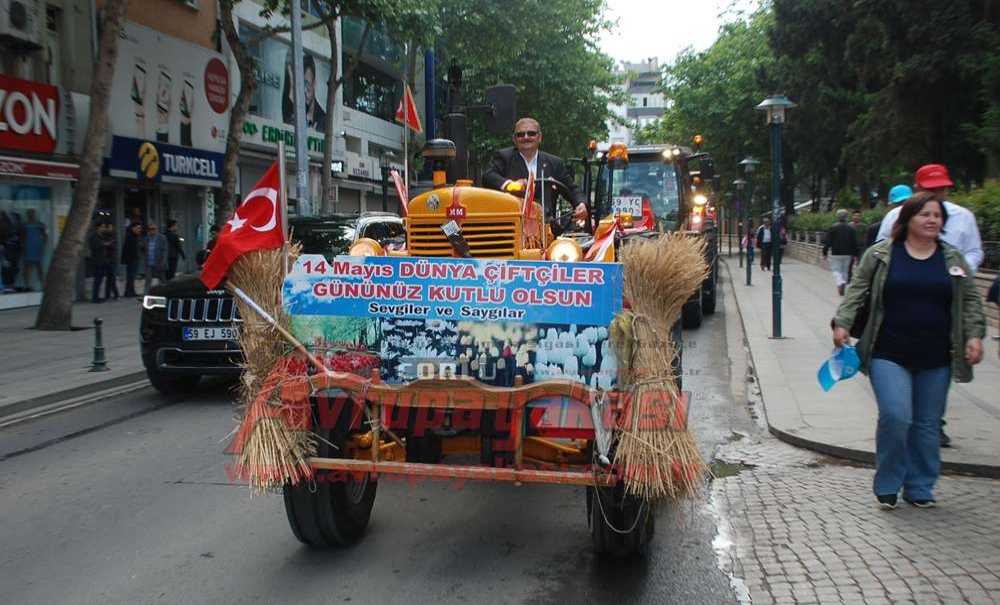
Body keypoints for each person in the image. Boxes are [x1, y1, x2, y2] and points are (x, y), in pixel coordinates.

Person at [832, 192, 985, 510]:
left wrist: (974, 336)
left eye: (937, 216)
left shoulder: (952, 258)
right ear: (907, 219)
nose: (932, 220)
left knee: (928, 424)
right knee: (896, 416)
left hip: (937, 355)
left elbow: (970, 300)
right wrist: (842, 324)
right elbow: (857, 290)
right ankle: (888, 482)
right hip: (888, 351)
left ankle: (920, 486)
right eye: (924, 214)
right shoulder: (883, 254)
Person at [482, 117, 588, 236]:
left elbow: (572, 189)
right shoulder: (504, 157)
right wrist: (510, 185)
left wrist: (581, 204)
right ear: (514, 139)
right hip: (512, 230)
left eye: (531, 133)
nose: (526, 137)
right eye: (520, 134)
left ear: (540, 137)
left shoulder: (555, 163)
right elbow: (488, 176)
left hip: (546, 230)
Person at [876, 165, 983, 273]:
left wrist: (960, 271)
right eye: (930, 189)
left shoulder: (963, 216)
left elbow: (973, 251)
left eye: (941, 189)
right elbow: (880, 249)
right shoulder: (895, 215)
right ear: (917, 188)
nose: (936, 193)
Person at [823, 209, 860, 295]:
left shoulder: (833, 227)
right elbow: (854, 242)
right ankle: (844, 283)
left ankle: (840, 282)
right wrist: (856, 254)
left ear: (837, 217)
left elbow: (828, 241)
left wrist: (824, 252)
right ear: (847, 217)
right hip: (848, 253)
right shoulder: (851, 228)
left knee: (836, 269)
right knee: (845, 270)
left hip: (836, 252)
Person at [89, 223, 116, 303]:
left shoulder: (102, 236)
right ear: (98, 228)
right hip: (97, 261)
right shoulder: (93, 236)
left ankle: (97, 297)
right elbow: (94, 246)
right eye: (102, 227)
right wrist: (104, 244)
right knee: (97, 280)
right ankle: (95, 298)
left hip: (103, 260)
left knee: (101, 279)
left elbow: (110, 237)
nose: (104, 228)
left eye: (104, 227)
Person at [20, 209, 47, 290]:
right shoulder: (24, 225)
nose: (31, 215)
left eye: (32, 213)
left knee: (39, 267)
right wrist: (23, 246)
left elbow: (45, 235)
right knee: (28, 267)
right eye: (29, 214)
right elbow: (22, 237)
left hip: (37, 248)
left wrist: (43, 245)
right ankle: (27, 285)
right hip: (28, 248)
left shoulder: (39, 225)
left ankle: (43, 285)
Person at [143, 223, 168, 293]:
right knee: (148, 280)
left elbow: (165, 250)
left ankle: (165, 293)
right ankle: (146, 295)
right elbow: (143, 249)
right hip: (149, 263)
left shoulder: (162, 238)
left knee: (162, 280)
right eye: (150, 229)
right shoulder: (146, 239)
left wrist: (164, 261)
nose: (152, 231)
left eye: (153, 229)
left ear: (156, 230)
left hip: (159, 262)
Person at [121, 222, 143, 297]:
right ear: (133, 228)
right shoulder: (130, 236)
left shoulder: (135, 236)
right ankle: (130, 292)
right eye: (138, 228)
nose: (139, 230)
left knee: (131, 276)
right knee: (131, 276)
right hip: (131, 259)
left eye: (140, 228)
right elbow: (129, 249)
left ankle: (129, 292)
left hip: (133, 259)